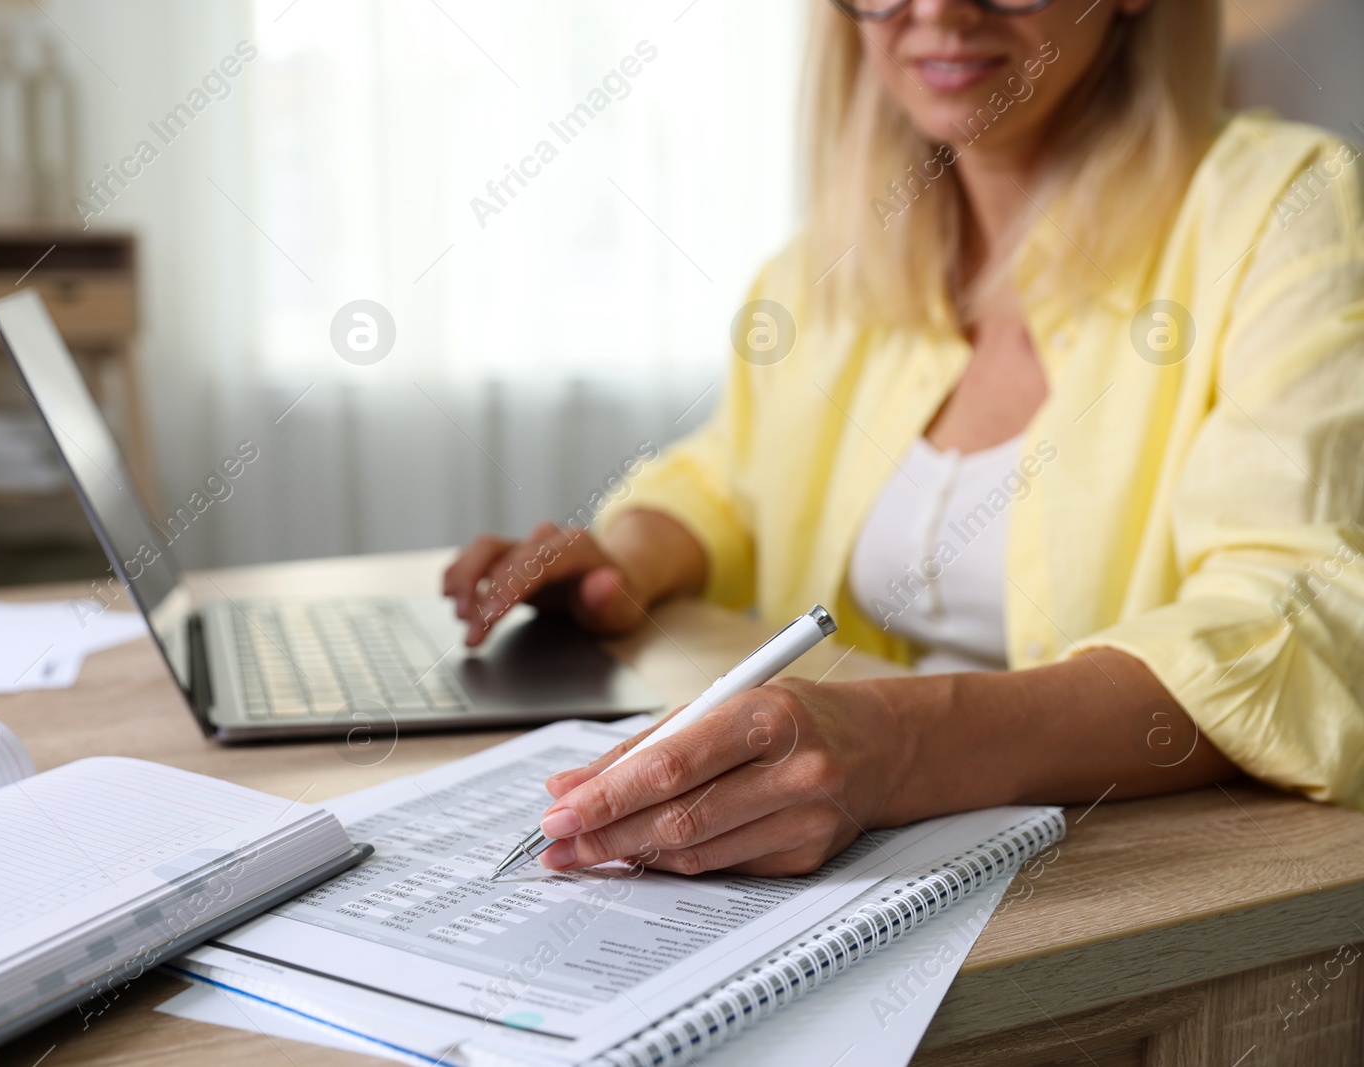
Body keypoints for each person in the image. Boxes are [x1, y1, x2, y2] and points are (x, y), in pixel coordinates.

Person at [444, 0, 1364, 877]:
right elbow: (733, 477)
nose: (939, 11)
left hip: (1128, 875)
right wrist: (622, 563)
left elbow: (1295, 618)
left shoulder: (1289, 210)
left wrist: (895, 739)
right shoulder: (825, 265)